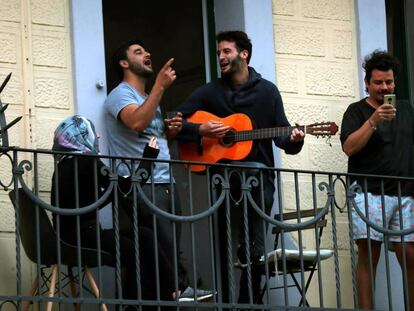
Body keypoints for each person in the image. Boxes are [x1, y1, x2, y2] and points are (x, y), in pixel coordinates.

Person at [176, 30, 305, 304]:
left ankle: (249, 301)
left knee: (254, 245)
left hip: (258, 182)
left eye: (226, 51)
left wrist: (294, 140)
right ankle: (225, 301)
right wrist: (201, 129)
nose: (221, 57)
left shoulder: (267, 91)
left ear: (243, 54)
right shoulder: (210, 92)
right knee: (222, 242)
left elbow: (282, 134)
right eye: (219, 52)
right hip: (222, 181)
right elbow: (174, 122)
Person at [103, 39, 214, 302]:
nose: (147, 53)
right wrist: (160, 87)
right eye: (138, 52)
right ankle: (174, 292)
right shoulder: (121, 94)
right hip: (144, 183)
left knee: (169, 249)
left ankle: (173, 294)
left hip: (165, 182)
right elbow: (138, 122)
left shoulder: (146, 98)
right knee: (159, 251)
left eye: (146, 50)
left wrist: (171, 133)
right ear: (123, 62)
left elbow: (154, 138)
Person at [50, 115, 179, 303]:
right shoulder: (86, 160)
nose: (98, 136)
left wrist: (114, 193)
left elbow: (101, 197)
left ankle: (174, 291)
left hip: (70, 237)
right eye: (92, 131)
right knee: (140, 251)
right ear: (81, 135)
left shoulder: (63, 165)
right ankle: (162, 297)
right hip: (85, 238)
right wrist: (149, 157)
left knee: (144, 235)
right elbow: (126, 187)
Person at [340, 50, 414, 310]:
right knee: (369, 256)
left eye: (389, 82)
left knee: (410, 255)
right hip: (368, 191)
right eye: (379, 82)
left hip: (405, 192)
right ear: (367, 83)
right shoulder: (356, 111)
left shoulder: (406, 108)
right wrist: (373, 120)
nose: (385, 87)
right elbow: (349, 147)